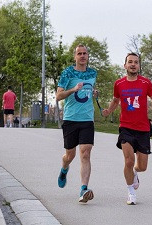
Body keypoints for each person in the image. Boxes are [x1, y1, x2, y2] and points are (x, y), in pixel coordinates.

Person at [102, 52, 152, 205]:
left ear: (139, 65)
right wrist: (109, 110)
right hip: (126, 127)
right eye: (130, 62)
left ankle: (135, 173)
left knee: (142, 166)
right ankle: (131, 193)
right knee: (128, 161)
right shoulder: (119, 84)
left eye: (136, 62)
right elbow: (116, 101)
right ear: (125, 65)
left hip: (143, 129)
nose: (133, 64)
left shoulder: (146, 83)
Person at [56, 44, 98, 203]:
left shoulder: (93, 73)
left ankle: (83, 190)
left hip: (87, 119)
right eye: (79, 53)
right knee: (69, 155)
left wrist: (94, 92)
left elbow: (89, 90)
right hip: (70, 118)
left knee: (85, 153)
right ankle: (64, 169)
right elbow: (59, 96)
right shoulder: (68, 73)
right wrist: (73, 89)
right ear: (75, 56)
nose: (82, 56)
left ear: (88, 56)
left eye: (84, 53)